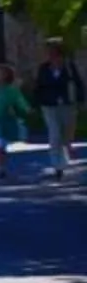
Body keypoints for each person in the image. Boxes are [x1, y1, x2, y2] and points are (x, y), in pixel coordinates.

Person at [38, 40, 80, 179]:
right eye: (50, 53)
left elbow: (78, 84)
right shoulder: (44, 68)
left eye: (55, 53)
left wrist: (80, 100)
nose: (52, 56)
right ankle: (58, 166)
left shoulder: (69, 67)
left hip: (68, 105)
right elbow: (39, 86)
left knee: (66, 135)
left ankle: (64, 157)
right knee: (55, 134)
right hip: (49, 106)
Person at [0, 56, 27, 180]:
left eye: (3, 73)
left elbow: (20, 100)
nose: (1, 76)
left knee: (4, 143)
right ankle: (1, 167)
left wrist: (27, 108)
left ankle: (3, 164)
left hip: (8, 119)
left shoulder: (11, 90)